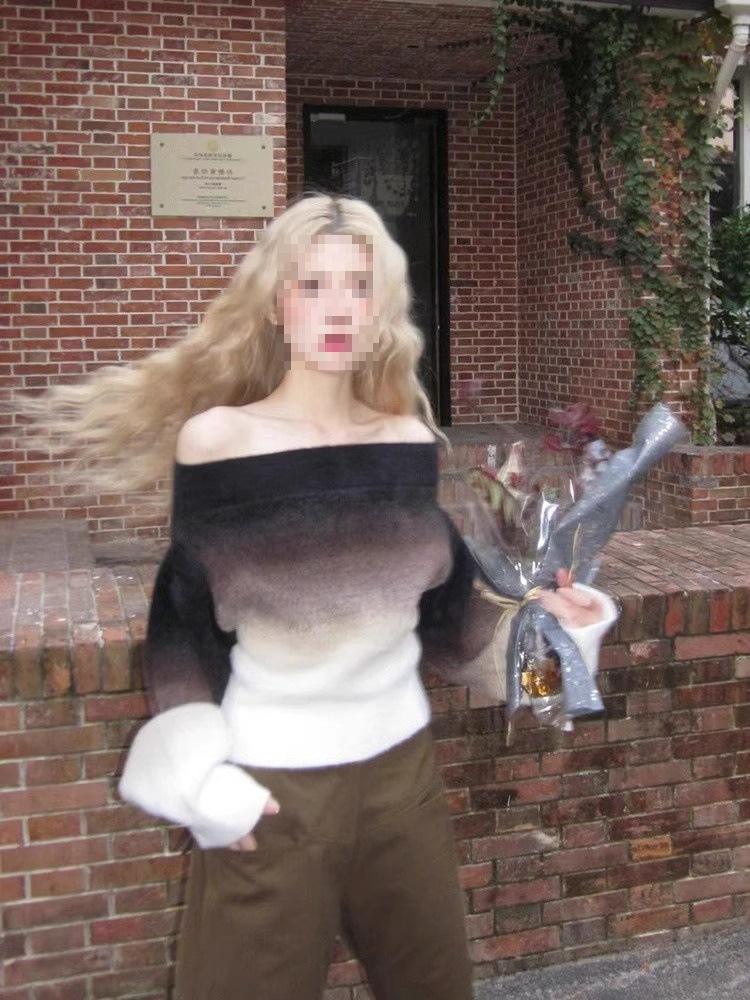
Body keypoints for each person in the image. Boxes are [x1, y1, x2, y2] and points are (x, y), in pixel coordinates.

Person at [36, 195, 616, 999]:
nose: (338, 307)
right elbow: (182, 627)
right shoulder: (220, 441)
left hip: (403, 785)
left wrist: (559, 639)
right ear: (278, 304)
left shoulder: (407, 443)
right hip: (271, 794)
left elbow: (453, 632)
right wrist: (203, 784)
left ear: (381, 309)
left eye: (358, 286)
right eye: (313, 286)